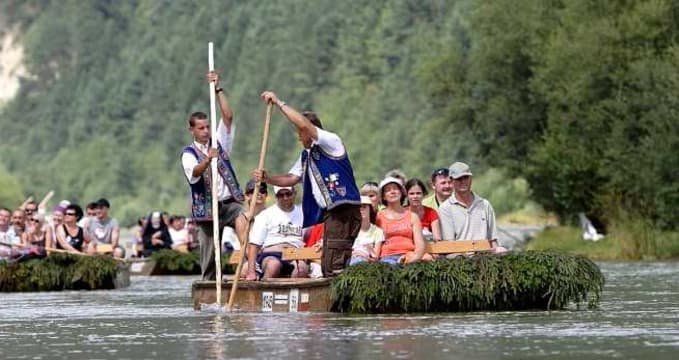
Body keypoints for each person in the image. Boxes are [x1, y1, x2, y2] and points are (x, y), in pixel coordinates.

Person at [253, 91, 361, 277]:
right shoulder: (306, 156)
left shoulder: (331, 142)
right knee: (329, 260)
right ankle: (332, 293)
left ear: (308, 131)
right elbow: (291, 178)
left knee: (334, 261)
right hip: (331, 213)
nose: (298, 137)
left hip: (343, 208)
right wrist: (267, 178)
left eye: (299, 133)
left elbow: (304, 124)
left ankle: (336, 295)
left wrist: (278, 102)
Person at [181, 70, 249, 281]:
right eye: (201, 128)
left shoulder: (219, 141)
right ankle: (209, 284)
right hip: (207, 209)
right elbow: (194, 173)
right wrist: (207, 160)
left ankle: (249, 263)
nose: (205, 131)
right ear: (191, 129)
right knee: (210, 254)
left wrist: (217, 88)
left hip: (229, 202)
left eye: (208, 127)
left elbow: (228, 117)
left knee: (243, 217)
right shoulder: (188, 153)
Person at [438, 162, 506, 253]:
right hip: (458, 256)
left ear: (471, 179)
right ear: (451, 180)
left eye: (466, 178)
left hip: (485, 254)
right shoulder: (445, 208)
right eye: (459, 179)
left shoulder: (485, 205)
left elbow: (493, 240)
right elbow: (450, 244)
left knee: (501, 250)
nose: (463, 182)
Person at [246, 186, 307, 280]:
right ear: (276, 196)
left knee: (301, 269)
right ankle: (264, 292)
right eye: (281, 195)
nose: (285, 197)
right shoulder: (266, 215)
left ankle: (293, 293)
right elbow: (254, 244)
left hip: (295, 255)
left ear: (294, 193)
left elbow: (313, 234)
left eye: (288, 194)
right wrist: (251, 271)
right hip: (271, 255)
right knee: (273, 266)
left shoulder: (304, 214)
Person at [375, 177, 427, 264]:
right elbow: (376, 242)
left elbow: (420, 243)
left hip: (409, 255)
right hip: (387, 258)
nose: (392, 191)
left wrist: (415, 257)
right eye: (388, 190)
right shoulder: (379, 217)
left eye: (395, 188)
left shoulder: (413, 216)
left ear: (401, 193)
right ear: (383, 196)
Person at [349, 196, 385, 265]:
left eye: (364, 207)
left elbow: (375, 257)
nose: (361, 209)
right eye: (358, 207)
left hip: (367, 264)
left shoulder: (378, 231)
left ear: (370, 209)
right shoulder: (350, 230)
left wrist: (364, 256)